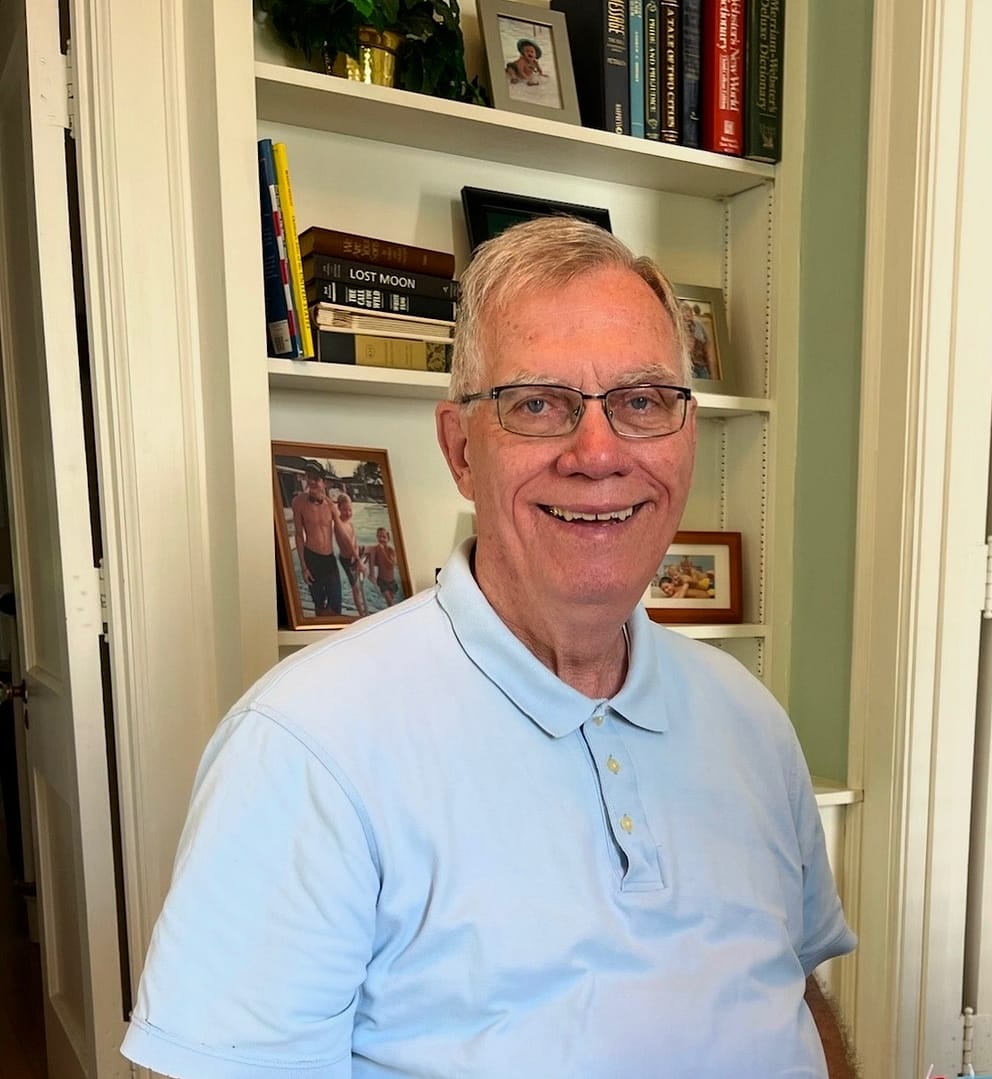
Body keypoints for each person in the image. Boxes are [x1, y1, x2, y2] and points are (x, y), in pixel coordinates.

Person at [121, 217, 857, 1077]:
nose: (597, 454)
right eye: (537, 403)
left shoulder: (749, 717)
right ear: (458, 449)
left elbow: (792, 985)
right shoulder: (305, 749)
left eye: (642, 401)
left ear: (686, 435)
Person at [291, 461, 343, 618]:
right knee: (319, 605)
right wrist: (304, 567)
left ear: (324, 482)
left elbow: (340, 532)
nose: (312, 482)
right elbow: (299, 535)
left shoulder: (330, 505)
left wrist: (355, 555)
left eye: (316, 478)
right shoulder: (298, 503)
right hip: (312, 559)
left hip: (329, 559)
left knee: (336, 607)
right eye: (309, 477)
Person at [333, 492, 369, 617]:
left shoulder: (350, 524)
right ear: (339, 508)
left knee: (373, 549)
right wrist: (359, 561)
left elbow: (355, 542)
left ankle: (372, 575)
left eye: (350, 510)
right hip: (348, 560)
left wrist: (359, 557)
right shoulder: (339, 525)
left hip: (355, 555)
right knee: (356, 588)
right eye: (344, 510)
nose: (348, 513)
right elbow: (348, 544)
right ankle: (361, 614)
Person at [366, 525, 400, 607]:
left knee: (390, 603)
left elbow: (391, 564)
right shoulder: (375, 549)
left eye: (384, 537)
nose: (381, 539)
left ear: (388, 538)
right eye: (379, 536)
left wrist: (382, 551)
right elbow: (368, 553)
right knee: (390, 603)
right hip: (382, 581)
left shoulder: (391, 550)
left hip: (392, 581)